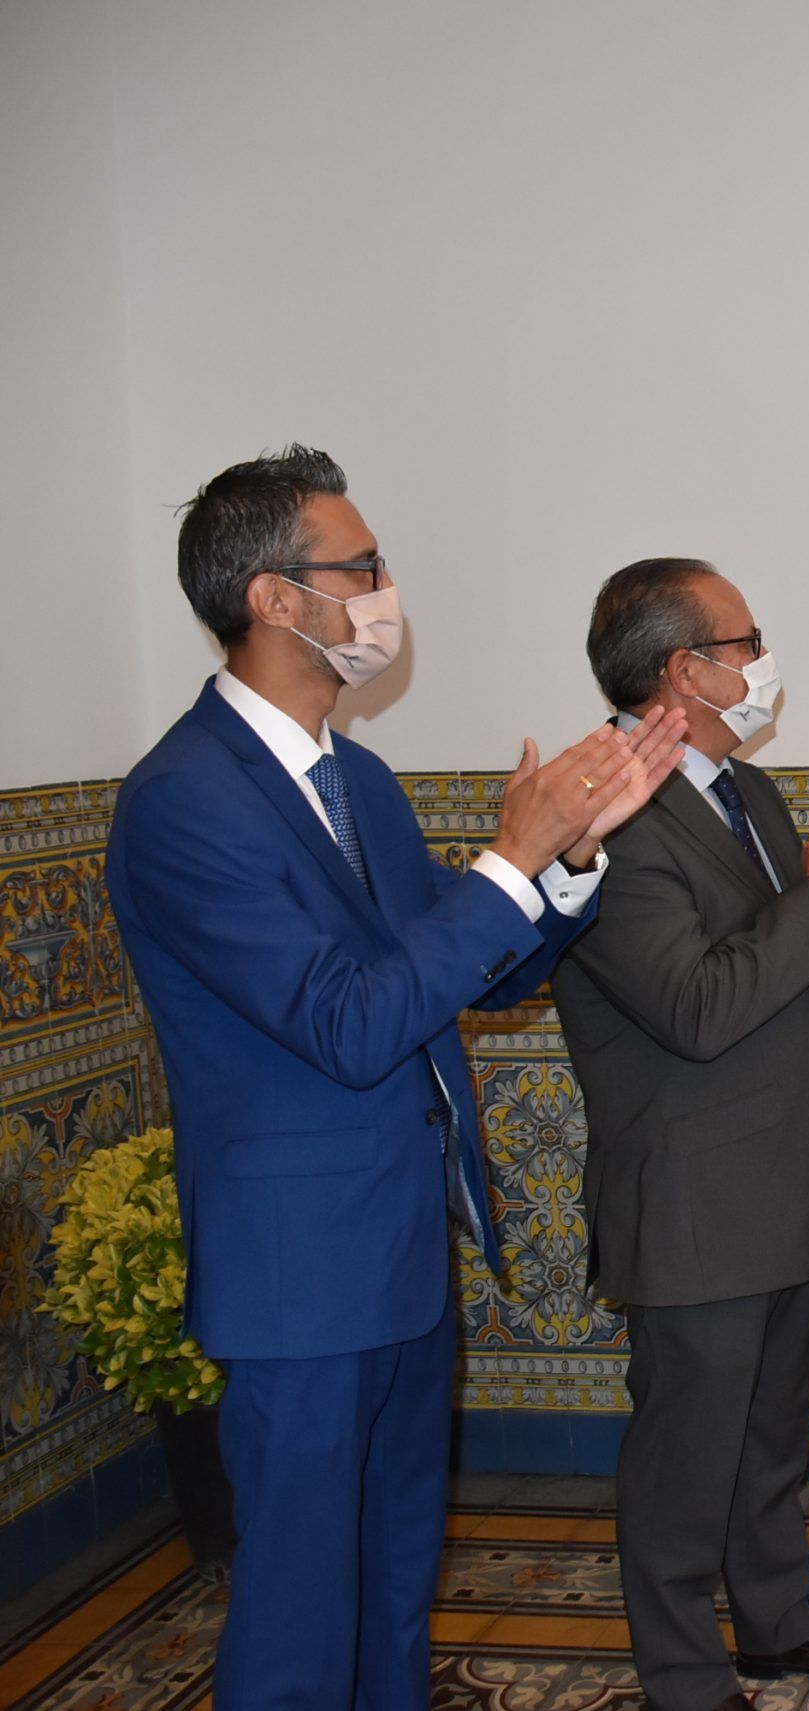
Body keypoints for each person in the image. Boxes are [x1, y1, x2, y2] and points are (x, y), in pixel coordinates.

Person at [105, 446, 682, 1711]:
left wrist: (567, 861)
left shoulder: (353, 778)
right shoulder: (183, 801)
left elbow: (464, 973)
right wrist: (508, 861)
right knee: (301, 1609)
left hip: (400, 1247)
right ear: (273, 598)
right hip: (299, 1274)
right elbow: (350, 1023)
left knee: (391, 1586)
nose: (384, 589)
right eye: (358, 566)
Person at [550, 558, 809, 1711]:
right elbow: (697, 1005)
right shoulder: (607, 811)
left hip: (783, 1178)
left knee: (769, 1436)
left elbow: (803, 955)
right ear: (686, 669)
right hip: (694, 1200)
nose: (762, 660)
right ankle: (683, 1673)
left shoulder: (742, 790)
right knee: (688, 1455)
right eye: (746, 640)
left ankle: (777, 1623)